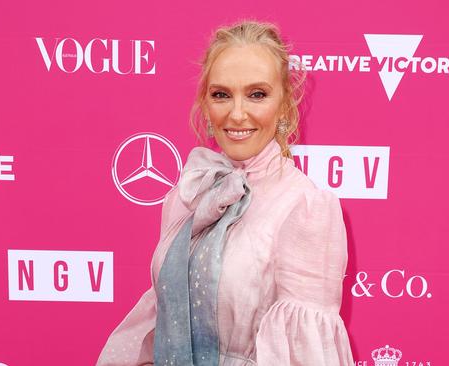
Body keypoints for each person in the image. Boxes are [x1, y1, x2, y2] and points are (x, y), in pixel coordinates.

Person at [97, 20, 354, 366]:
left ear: (284, 105)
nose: (236, 113)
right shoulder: (191, 192)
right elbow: (165, 314)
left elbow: (304, 354)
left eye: (257, 94)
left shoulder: (305, 207)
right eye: (221, 94)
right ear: (205, 104)